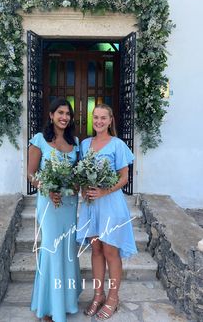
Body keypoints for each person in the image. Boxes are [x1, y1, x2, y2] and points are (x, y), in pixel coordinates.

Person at [76, 103, 137, 321]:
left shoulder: (118, 145)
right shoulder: (84, 144)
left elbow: (124, 177)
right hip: (92, 206)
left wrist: (104, 191)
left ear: (111, 120)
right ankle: (98, 295)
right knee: (96, 251)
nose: (99, 121)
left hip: (111, 204)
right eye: (96, 117)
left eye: (104, 118)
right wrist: (85, 190)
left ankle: (113, 298)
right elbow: (81, 173)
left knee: (111, 252)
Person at [28, 98, 81, 322]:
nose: (64, 117)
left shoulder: (76, 142)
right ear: (51, 115)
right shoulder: (39, 140)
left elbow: (77, 177)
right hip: (49, 203)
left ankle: (66, 303)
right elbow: (31, 175)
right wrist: (48, 189)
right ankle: (48, 308)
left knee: (67, 250)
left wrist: (76, 186)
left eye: (67, 114)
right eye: (60, 112)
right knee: (50, 249)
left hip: (68, 204)